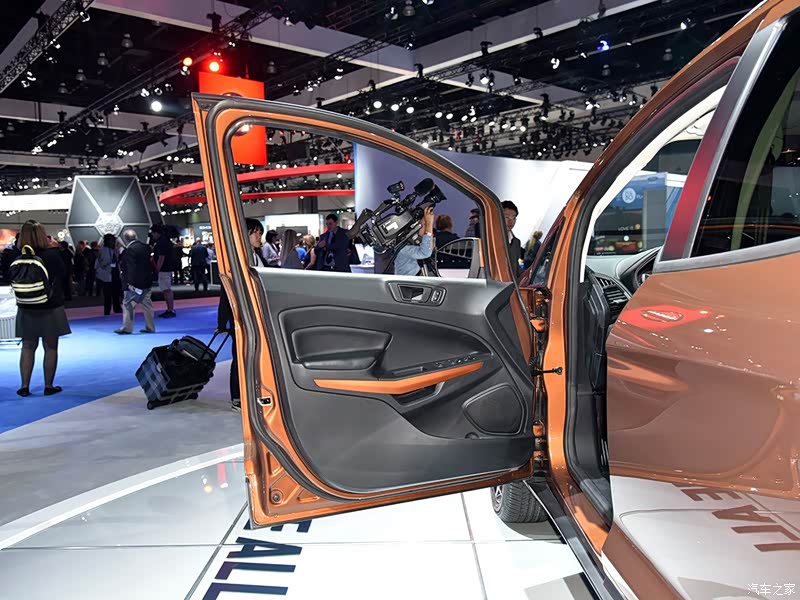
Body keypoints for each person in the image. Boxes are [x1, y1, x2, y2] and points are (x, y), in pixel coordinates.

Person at [14, 220, 70, 397]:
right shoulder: (51, 255)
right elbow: (64, 274)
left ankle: (24, 386)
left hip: (25, 306)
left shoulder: (16, 256)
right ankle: (48, 385)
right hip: (50, 306)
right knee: (50, 347)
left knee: (27, 347)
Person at [217, 218, 268, 412]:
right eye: (255, 232)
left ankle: (251, 393)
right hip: (241, 316)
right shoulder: (236, 260)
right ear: (244, 235)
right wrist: (222, 322)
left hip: (257, 314)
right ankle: (237, 397)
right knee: (240, 356)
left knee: (255, 355)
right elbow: (226, 292)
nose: (258, 236)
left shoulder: (257, 257)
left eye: (260, 233)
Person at [116, 229, 155, 335]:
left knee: (128, 305)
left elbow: (130, 268)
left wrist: (129, 283)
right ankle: (150, 327)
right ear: (136, 236)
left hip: (134, 283)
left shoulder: (129, 250)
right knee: (147, 305)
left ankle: (127, 328)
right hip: (146, 281)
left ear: (125, 238)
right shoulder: (146, 248)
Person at [394, 207, 435, 276]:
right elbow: (425, 253)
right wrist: (429, 224)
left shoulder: (415, 242)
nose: (428, 229)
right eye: (425, 225)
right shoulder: (403, 247)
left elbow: (429, 249)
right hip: (406, 282)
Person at [150, 224, 176, 318]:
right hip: (166, 268)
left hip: (164, 269)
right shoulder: (166, 241)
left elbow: (161, 257)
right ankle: (170, 309)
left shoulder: (161, 242)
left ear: (156, 233)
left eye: (153, 233)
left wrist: (157, 269)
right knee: (166, 289)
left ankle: (170, 309)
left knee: (166, 289)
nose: (152, 235)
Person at [96, 234, 123, 315]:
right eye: (112, 241)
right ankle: (108, 310)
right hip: (108, 274)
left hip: (114, 274)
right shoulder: (104, 250)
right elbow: (104, 263)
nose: (113, 242)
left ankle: (116, 308)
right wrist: (112, 263)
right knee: (108, 294)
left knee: (115, 293)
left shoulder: (114, 250)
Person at [502, 200, 523, 271]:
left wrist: (523, 271)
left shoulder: (516, 242)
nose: (510, 221)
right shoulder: (490, 237)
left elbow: (520, 261)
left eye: (513, 218)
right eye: (507, 217)